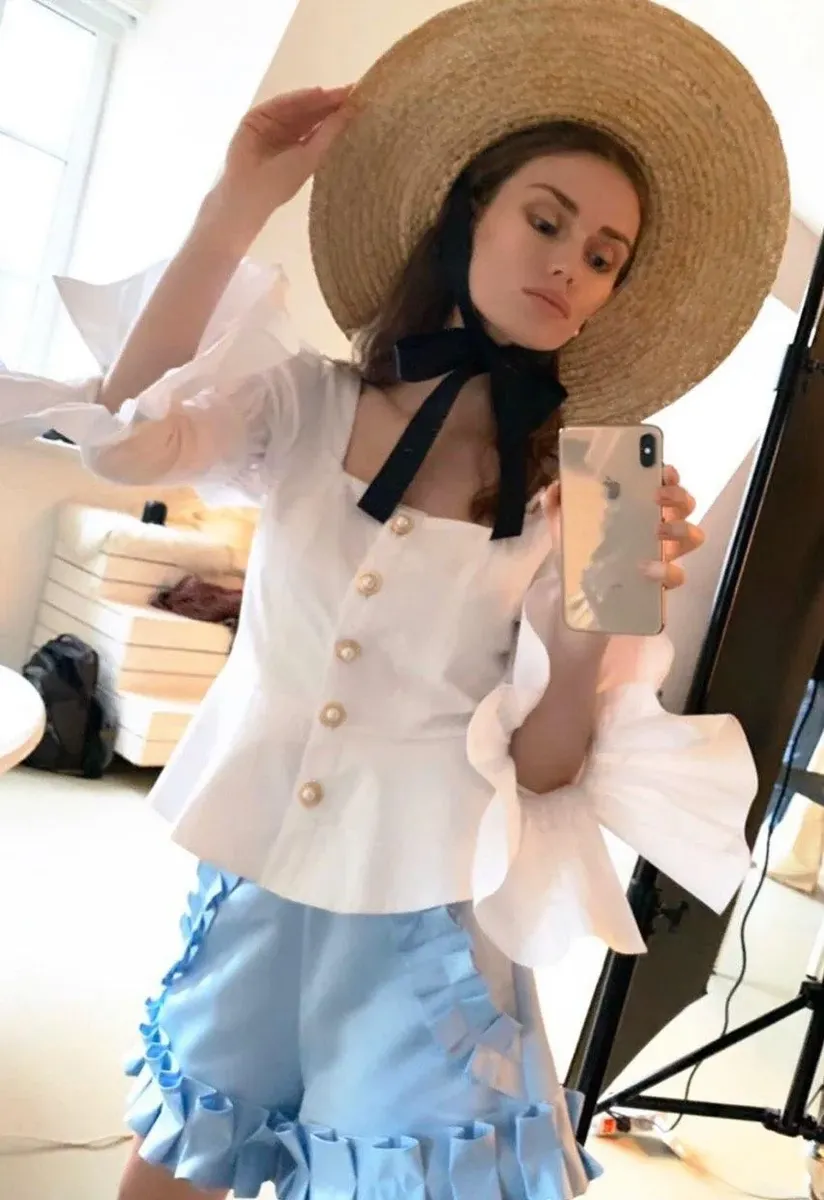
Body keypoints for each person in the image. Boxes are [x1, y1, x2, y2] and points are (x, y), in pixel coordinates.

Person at [0, 1, 789, 1196]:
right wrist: (234, 203)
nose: (567, 266)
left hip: (430, 919)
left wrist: (590, 629)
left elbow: (549, 772)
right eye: (545, 220)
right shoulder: (300, 399)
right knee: (170, 1169)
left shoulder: (604, 485)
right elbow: (121, 441)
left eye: (601, 256)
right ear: (470, 214)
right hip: (260, 873)